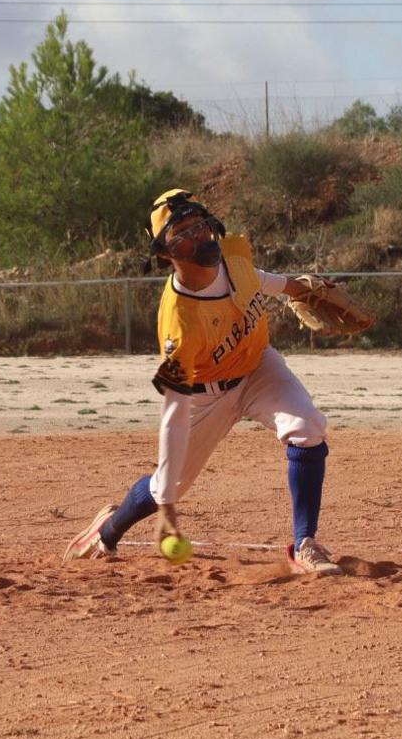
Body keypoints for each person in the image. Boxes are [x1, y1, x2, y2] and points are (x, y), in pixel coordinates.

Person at [64, 189, 340, 576]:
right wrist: (169, 510)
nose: (200, 236)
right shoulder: (178, 323)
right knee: (168, 484)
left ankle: (306, 543)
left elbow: (258, 279)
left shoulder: (233, 257)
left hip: (259, 367)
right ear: (166, 253)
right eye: (184, 233)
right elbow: (173, 414)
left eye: (200, 225)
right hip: (205, 395)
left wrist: (302, 289)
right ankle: (109, 529)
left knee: (307, 426)